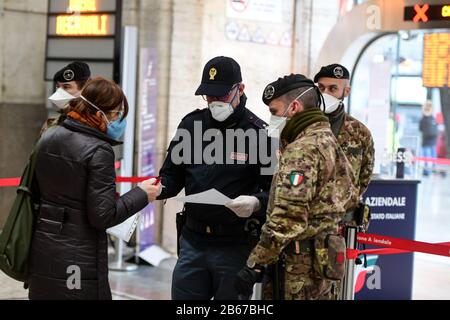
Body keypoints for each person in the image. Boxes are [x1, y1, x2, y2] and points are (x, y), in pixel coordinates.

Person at [28, 77, 161, 300]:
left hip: (43, 251)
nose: (119, 120)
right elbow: (103, 215)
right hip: (79, 260)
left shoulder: (49, 136)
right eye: (117, 113)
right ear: (99, 114)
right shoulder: (99, 151)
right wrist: (141, 194)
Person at [156, 56, 273, 300]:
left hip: (235, 245)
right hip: (192, 242)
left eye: (220, 96)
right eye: (209, 96)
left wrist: (256, 202)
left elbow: (273, 191)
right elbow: (171, 176)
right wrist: (157, 188)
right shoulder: (191, 125)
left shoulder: (260, 134)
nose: (213, 102)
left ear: (239, 89)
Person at [234, 74, 356, 300]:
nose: (273, 119)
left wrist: (256, 263)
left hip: (298, 269)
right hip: (322, 261)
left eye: (274, 111)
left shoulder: (302, 150)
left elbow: (289, 216)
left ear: (294, 107)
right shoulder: (327, 140)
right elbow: (350, 196)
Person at [314, 64, 374, 229]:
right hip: (307, 222)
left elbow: (364, 177)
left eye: (333, 88)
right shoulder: (302, 126)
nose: (325, 93)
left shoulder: (360, 133)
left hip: (342, 223)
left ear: (346, 92)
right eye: (321, 88)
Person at [41, 61, 92, 135]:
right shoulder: (52, 123)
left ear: (84, 89)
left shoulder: (92, 122)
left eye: (66, 87)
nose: (59, 92)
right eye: (58, 86)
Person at [419, 100, 438, 176]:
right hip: (433, 140)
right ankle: (434, 169)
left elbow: (420, 129)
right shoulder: (432, 118)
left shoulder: (423, 119)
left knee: (427, 156)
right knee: (433, 155)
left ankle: (427, 171)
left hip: (426, 141)